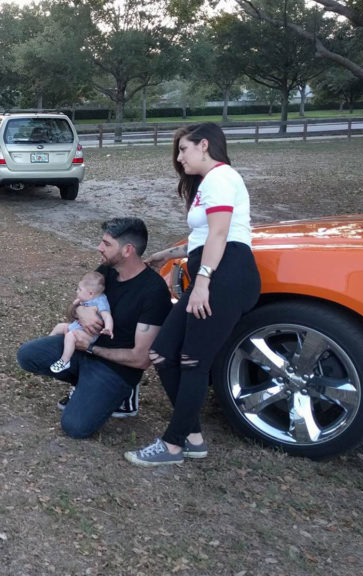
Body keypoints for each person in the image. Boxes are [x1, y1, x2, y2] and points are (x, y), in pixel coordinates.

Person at [126, 123, 260, 466]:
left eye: (183, 149)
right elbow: (203, 238)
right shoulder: (209, 183)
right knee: (162, 353)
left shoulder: (220, 177)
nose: (179, 157)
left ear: (204, 145)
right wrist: (167, 255)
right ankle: (193, 436)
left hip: (225, 274)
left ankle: (173, 445)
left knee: (192, 361)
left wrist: (202, 283)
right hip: (216, 269)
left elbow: (220, 236)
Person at [17, 217, 172, 438]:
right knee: (27, 355)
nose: (100, 248)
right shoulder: (107, 271)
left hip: (116, 368)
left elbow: (141, 359)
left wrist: (90, 348)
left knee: (74, 427)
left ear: (128, 250)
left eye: (107, 244)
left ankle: (122, 395)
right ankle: (82, 384)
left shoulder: (153, 291)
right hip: (83, 351)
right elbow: (75, 306)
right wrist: (79, 311)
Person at [48, 270, 113, 374]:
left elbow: (107, 316)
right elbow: (75, 305)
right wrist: (77, 303)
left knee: (70, 336)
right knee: (59, 326)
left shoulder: (101, 302)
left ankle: (65, 361)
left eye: (79, 289)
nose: (77, 291)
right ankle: (48, 343)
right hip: (77, 326)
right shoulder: (87, 297)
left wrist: (108, 328)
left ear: (91, 293)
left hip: (88, 334)